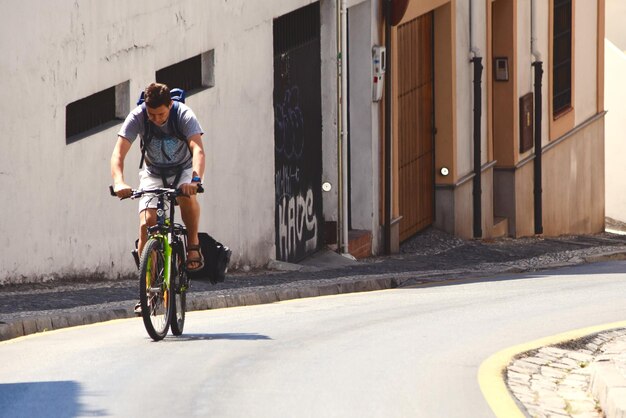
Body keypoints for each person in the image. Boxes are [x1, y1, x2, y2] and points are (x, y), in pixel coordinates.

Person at [111, 82, 206, 274]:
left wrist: (195, 181)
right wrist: (119, 181)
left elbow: (197, 149)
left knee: (186, 197)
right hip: (153, 172)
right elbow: (118, 154)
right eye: (151, 114)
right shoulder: (138, 116)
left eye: (161, 114)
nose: (155, 119)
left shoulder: (184, 115)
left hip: (184, 169)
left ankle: (193, 243)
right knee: (147, 223)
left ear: (170, 105)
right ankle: (147, 290)